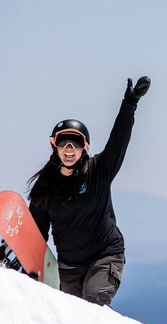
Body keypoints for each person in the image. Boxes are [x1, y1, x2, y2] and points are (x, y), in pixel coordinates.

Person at [27, 76, 150, 306]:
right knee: (74, 320)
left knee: (93, 302)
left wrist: (130, 103)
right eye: (64, 143)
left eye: (75, 143)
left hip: (104, 257)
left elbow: (118, 141)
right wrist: (27, 266)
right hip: (68, 266)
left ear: (85, 147)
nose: (69, 149)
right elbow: (35, 235)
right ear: (55, 147)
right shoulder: (45, 188)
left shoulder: (98, 171)